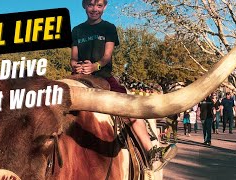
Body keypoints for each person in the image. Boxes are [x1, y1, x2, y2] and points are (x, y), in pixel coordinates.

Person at [70, 0, 177, 171]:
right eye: (91, 5)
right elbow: (73, 57)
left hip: (103, 76)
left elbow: (106, 56)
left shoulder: (109, 28)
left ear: (105, 7)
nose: (94, 9)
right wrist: (76, 65)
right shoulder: (77, 30)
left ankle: (151, 153)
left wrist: (95, 66)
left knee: (129, 107)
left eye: (99, 5)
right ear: (84, 6)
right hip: (79, 77)